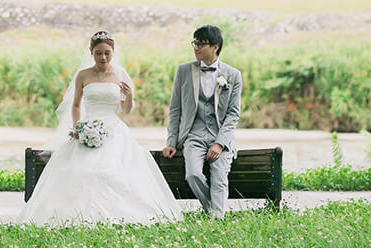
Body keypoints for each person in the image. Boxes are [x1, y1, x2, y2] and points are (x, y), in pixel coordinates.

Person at [17, 31, 181, 226]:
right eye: (98, 53)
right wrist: (78, 126)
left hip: (114, 129)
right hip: (88, 126)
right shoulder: (83, 75)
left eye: (107, 53)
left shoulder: (120, 74)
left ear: (113, 52)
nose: (103, 57)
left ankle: (118, 213)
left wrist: (128, 97)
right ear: (91, 52)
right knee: (80, 169)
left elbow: (126, 111)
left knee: (113, 170)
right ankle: (77, 213)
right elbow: (76, 105)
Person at [162, 24, 243, 219]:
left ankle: (216, 220)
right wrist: (171, 142)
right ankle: (215, 213)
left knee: (219, 176)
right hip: (193, 136)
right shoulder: (183, 71)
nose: (196, 47)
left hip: (220, 137)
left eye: (201, 44)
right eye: (195, 43)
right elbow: (175, 110)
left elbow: (233, 114)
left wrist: (220, 143)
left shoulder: (233, 75)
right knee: (193, 175)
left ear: (215, 47)